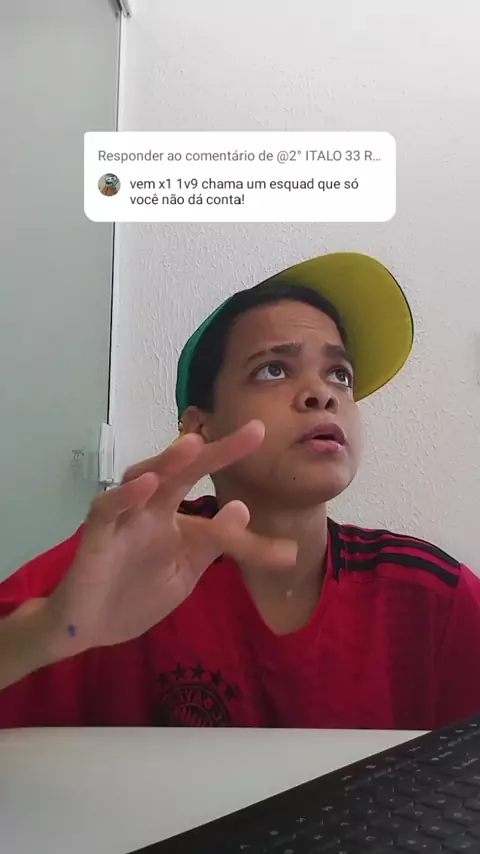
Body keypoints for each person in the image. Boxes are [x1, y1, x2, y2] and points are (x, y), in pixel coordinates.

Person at [1, 252, 480, 730]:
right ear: (200, 427)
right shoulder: (132, 556)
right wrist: (52, 631)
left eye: (340, 374)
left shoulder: (429, 594)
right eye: (273, 369)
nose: (323, 394)